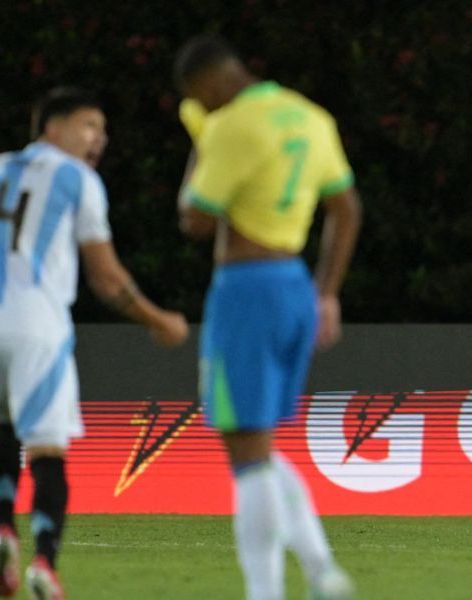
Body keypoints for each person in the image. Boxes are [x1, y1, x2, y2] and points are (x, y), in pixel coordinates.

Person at [0, 87, 189, 599]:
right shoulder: (77, 179)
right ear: (53, 128)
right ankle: (45, 561)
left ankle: (3, 526)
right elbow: (107, 277)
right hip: (36, 330)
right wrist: (157, 319)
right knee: (48, 449)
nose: (100, 138)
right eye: (89, 125)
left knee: (4, 422)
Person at [172, 34, 362, 599]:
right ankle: (320, 570)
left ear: (208, 86)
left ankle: (276, 587)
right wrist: (327, 293)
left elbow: (195, 219)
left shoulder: (230, 126)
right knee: (260, 447)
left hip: (245, 290)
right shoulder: (312, 117)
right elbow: (346, 207)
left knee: (247, 458)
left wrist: (202, 143)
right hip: (295, 288)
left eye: (197, 100)